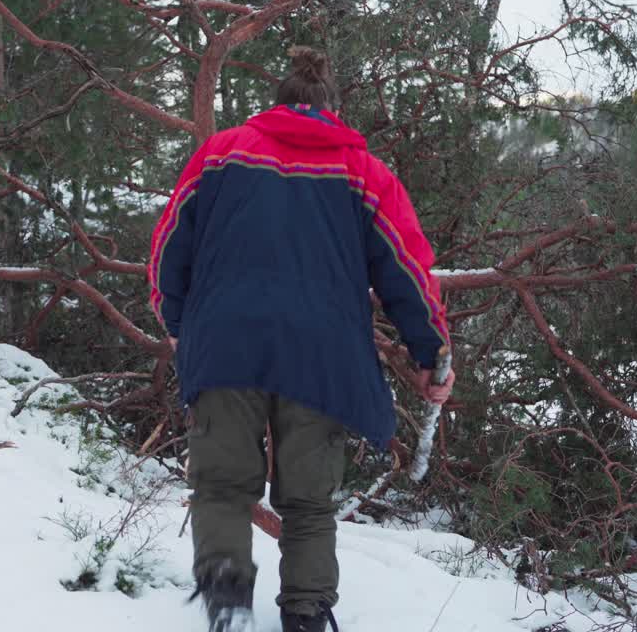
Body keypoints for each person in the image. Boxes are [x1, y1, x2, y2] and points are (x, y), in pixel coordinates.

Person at [148, 47, 455, 632]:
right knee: (310, 501)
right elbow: (407, 271)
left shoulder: (220, 154)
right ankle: (308, 615)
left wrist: (184, 323)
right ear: (331, 110)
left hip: (225, 342)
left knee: (221, 487)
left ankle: (227, 611)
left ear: (279, 103)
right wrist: (431, 354)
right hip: (323, 356)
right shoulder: (364, 172)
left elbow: (169, 250)